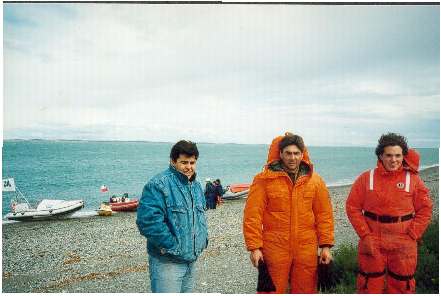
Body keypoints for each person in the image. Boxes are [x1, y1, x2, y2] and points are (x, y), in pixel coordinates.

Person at [243, 132, 335, 293]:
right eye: (288, 153)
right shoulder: (263, 180)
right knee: (270, 291)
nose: (292, 157)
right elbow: (252, 216)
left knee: (305, 291)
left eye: (296, 153)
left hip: (306, 248)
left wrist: (326, 246)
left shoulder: (315, 181)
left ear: (302, 154)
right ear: (280, 154)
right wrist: (255, 248)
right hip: (275, 248)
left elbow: (324, 215)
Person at [346, 132, 433, 293]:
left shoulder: (413, 180)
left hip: (404, 241)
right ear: (380, 155)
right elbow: (352, 207)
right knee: (369, 284)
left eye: (398, 155)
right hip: (372, 240)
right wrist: (365, 235)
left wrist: (412, 234)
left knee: (402, 285)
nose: (394, 160)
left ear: (403, 156)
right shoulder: (366, 178)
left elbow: (425, 209)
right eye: (389, 155)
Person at [136, 140, 209, 293]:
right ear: (173, 161)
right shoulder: (158, 184)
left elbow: (200, 217)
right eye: (184, 162)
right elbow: (147, 222)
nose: (189, 167)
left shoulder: (196, 185)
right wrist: (172, 247)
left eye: (192, 162)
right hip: (167, 262)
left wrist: (203, 241)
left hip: (191, 259)